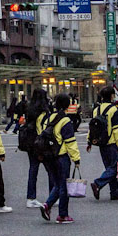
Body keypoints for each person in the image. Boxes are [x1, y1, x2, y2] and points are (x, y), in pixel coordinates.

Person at [38, 93, 79, 224]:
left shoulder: (49, 118)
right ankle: (62, 214)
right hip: (61, 156)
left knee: (58, 184)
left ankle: (47, 205)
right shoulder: (65, 120)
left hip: (49, 156)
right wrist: (76, 158)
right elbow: (70, 142)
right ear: (68, 104)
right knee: (64, 186)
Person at [87, 87, 118, 201]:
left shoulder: (96, 110)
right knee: (114, 168)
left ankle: (115, 192)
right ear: (112, 96)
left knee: (109, 167)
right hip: (111, 143)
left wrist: (89, 141)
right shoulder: (113, 110)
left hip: (101, 143)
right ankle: (98, 183)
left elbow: (92, 128)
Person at [23, 88, 50, 208]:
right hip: (41, 145)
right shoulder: (43, 112)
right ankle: (54, 195)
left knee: (33, 170)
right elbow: (42, 130)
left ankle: (31, 197)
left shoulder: (30, 109)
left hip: (30, 143)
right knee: (51, 170)